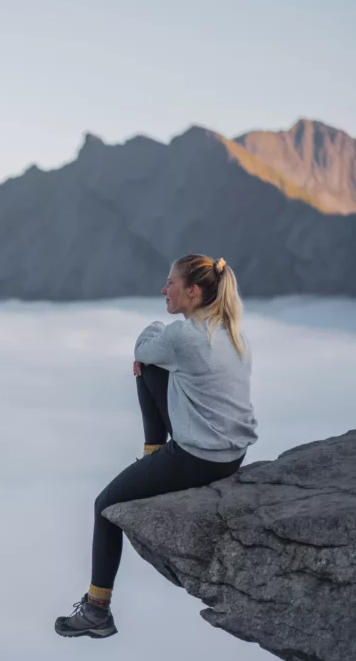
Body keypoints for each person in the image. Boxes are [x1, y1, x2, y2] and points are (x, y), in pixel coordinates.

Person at [55, 254, 258, 639]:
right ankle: (153, 460)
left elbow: (144, 345)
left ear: (193, 292)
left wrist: (152, 333)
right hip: (232, 455)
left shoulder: (184, 337)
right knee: (149, 366)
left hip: (198, 458)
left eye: (171, 284)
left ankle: (97, 611)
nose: (164, 290)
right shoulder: (231, 331)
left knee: (104, 506)